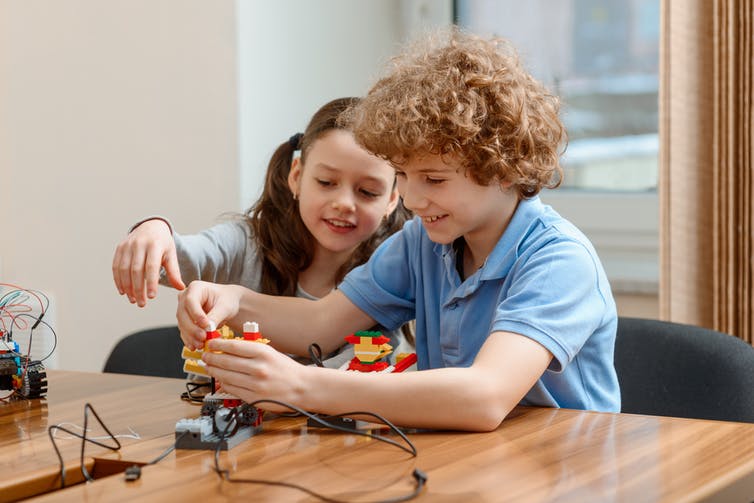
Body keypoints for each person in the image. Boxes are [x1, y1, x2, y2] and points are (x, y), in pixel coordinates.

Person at [174, 30, 620, 431]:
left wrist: (303, 385)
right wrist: (231, 299)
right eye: (402, 176)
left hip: (563, 472)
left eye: (435, 179)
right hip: (465, 464)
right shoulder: (422, 241)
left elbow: (484, 397)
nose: (410, 199)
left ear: (503, 169)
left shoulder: (559, 259)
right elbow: (321, 323)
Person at [112, 97, 412, 368]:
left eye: (368, 192)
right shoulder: (247, 242)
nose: (344, 204)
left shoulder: (391, 268)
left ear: (392, 199)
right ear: (296, 176)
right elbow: (180, 257)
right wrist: (155, 230)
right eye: (326, 182)